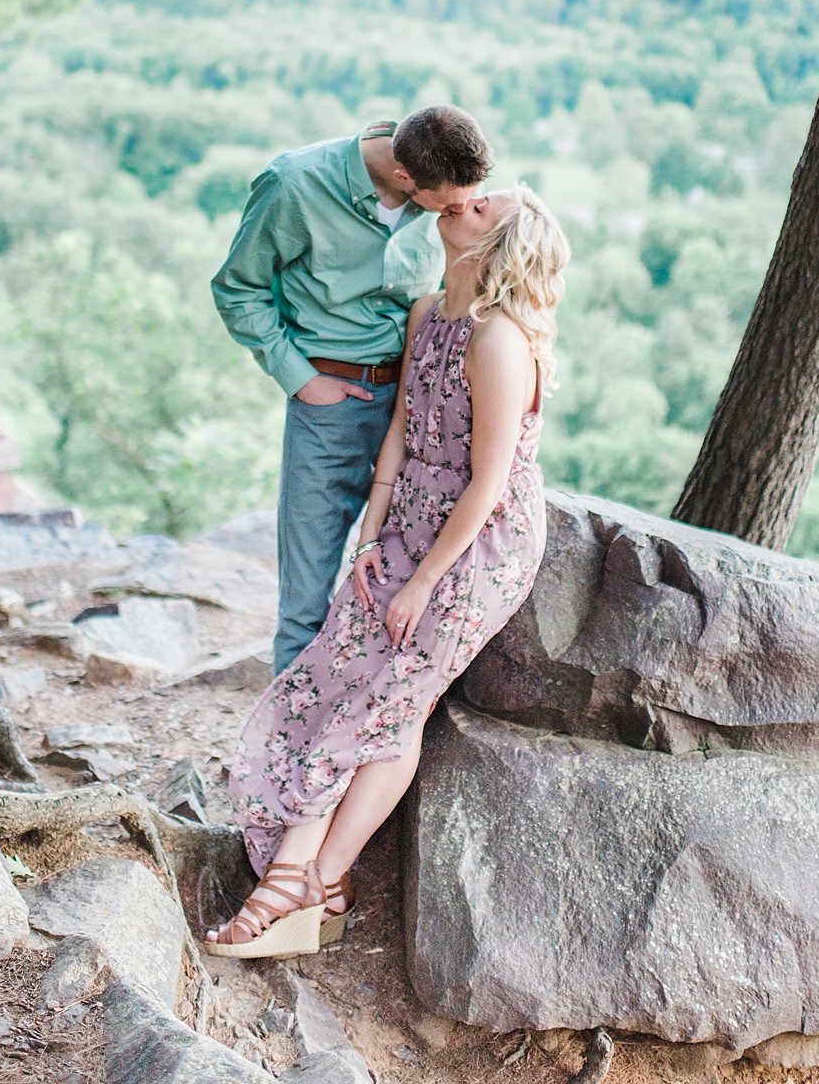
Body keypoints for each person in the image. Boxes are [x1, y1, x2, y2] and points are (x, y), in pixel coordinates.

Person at [205, 182, 569, 959]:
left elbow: (489, 484)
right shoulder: (429, 312)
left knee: (391, 701)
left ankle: (304, 879)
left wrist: (424, 581)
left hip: (477, 547)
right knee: (337, 674)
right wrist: (371, 539)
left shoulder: (500, 340)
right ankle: (319, 888)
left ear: (498, 246)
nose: (461, 205)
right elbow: (403, 427)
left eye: (482, 209)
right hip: (407, 521)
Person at [211, 107, 493, 675]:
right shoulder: (294, 185)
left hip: (422, 413)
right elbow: (237, 288)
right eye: (451, 203)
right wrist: (303, 380)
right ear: (407, 179)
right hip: (330, 404)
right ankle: (285, 755)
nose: (462, 210)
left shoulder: (438, 171)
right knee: (306, 600)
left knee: (409, 588)